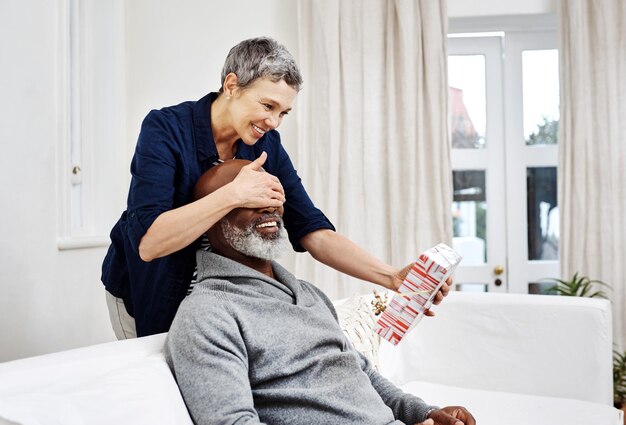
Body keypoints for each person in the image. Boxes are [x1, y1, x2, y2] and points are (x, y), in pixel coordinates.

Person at [164, 160, 579, 425]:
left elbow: (363, 375)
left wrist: (427, 414)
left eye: (273, 198)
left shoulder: (307, 293)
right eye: (252, 199)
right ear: (209, 220)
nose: (271, 208)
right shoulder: (207, 314)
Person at [101, 36, 451, 339]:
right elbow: (150, 244)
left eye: (283, 112)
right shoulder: (165, 129)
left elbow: (312, 230)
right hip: (143, 286)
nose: (273, 121)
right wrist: (234, 194)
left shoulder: (267, 145)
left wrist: (392, 277)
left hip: (209, 300)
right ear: (232, 86)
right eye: (267, 105)